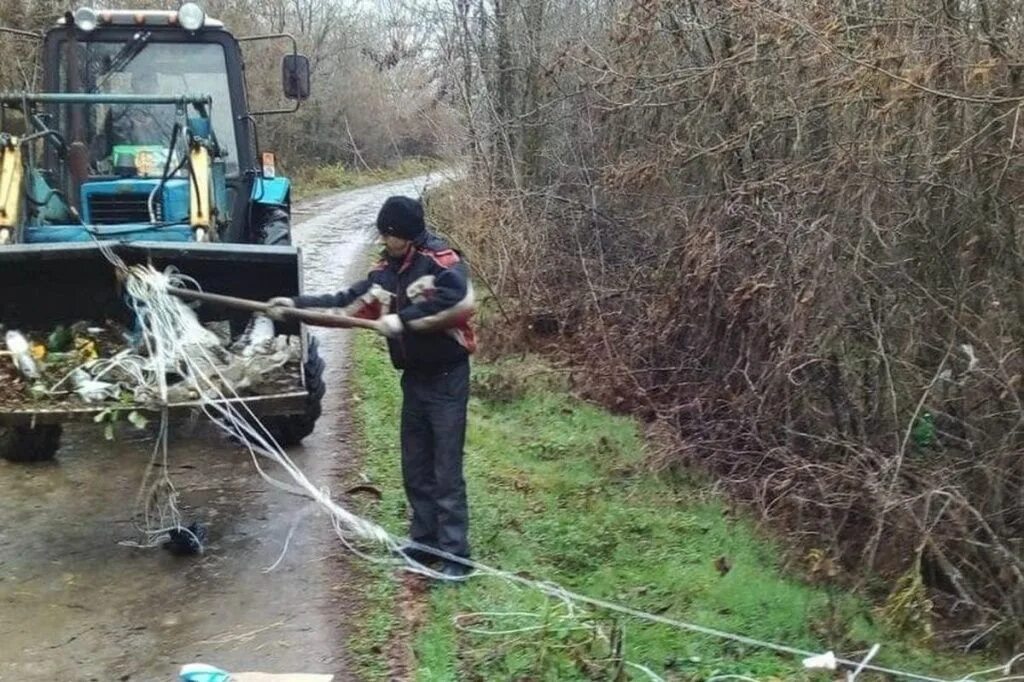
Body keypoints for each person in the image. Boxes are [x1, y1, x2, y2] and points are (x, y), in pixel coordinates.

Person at [268, 196, 477, 580]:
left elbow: (460, 302)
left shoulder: (441, 261)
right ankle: (424, 541)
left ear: (408, 235)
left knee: (445, 469)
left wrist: (403, 321)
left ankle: (456, 557)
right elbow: (346, 304)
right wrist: (294, 306)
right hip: (413, 378)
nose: (383, 239)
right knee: (415, 465)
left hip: (448, 377)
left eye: (389, 234)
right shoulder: (385, 271)